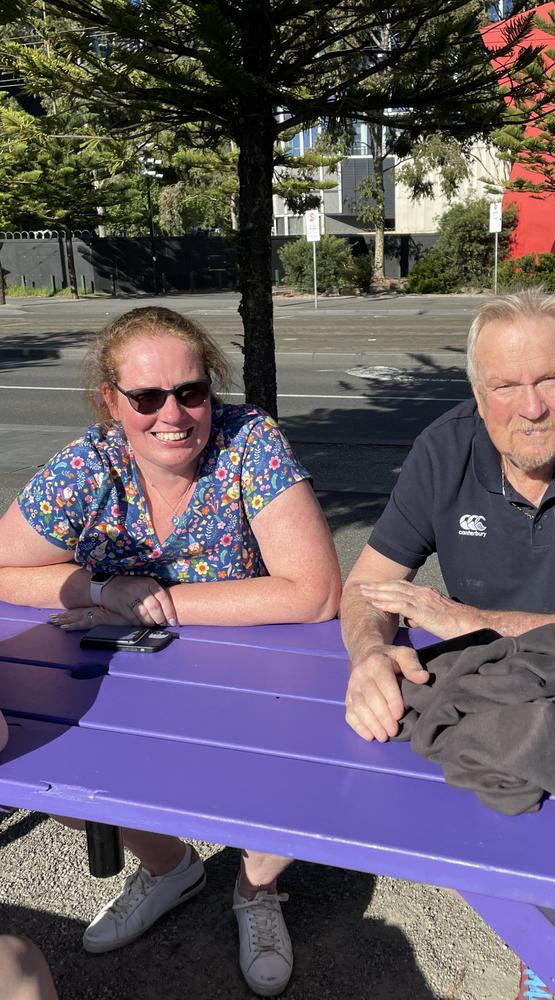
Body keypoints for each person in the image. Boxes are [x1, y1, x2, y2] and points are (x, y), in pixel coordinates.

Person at [0, 306, 341, 997]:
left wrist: (148, 600)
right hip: (131, 679)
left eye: (191, 392)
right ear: (111, 401)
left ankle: (255, 892)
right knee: (60, 778)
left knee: (286, 773)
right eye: (147, 397)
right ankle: (170, 869)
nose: (173, 415)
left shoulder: (251, 444)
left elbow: (314, 592)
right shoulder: (87, 467)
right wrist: (98, 584)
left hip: (255, 672)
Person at [340, 288, 555, 1000]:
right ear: (478, 394)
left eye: (548, 380)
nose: (531, 407)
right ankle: (553, 967)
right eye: (506, 385)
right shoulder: (445, 447)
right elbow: (365, 588)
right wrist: (367, 656)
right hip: (509, 706)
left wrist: (473, 620)